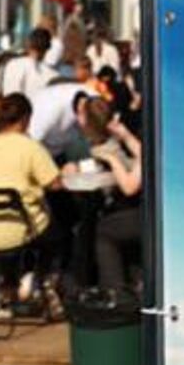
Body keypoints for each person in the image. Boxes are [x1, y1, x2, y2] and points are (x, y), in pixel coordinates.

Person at [0, 94, 60, 313]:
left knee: (8, 229)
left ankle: (3, 291)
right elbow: (54, 184)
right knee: (55, 231)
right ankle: (36, 281)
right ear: (25, 119)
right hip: (18, 230)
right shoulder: (30, 147)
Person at [68, 97, 143, 289]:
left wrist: (111, 159)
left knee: (102, 231)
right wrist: (126, 136)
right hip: (138, 208)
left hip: (144, 213)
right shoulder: (115, 145)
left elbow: (129, 187)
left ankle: (114, 291)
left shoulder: (107, 149)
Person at [25, 78, 90, 163]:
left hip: (60, 153)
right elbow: (28, 149)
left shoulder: (86, 103)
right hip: (38, 155)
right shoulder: (48, 112)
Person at [0, 29, 55, 102]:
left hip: (7, 107)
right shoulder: (50, 74)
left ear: (28, 43)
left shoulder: (7, 63)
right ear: (47, 48)